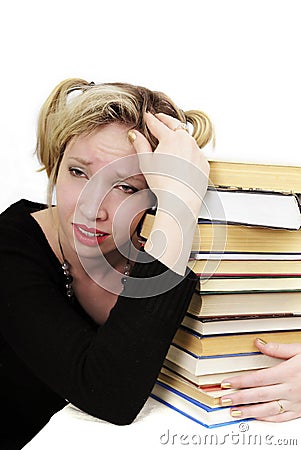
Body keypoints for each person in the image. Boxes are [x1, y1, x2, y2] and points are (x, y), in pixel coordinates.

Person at [0, 78, 212, 449]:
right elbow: (111, 395)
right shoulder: (9, 248)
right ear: (56, 164)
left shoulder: (169, 245)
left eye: (126, 187)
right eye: (78, 172)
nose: (90, 206)